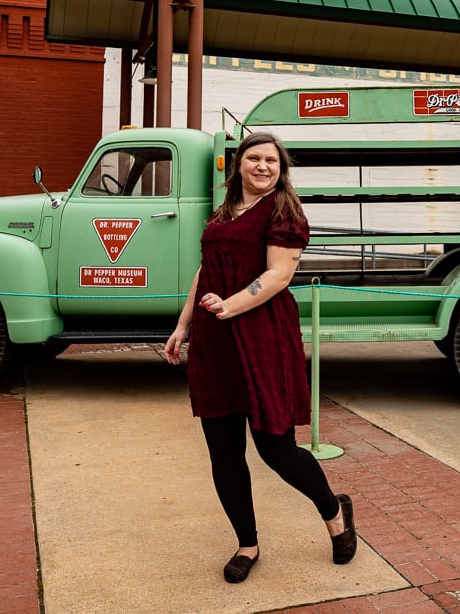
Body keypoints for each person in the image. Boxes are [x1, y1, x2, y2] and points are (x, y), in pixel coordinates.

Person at [165, 131, 356, 584]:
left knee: (277, 448)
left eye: (272, 160)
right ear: (240, 165)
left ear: (281, 168)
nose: (263, 166)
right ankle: (247, 544)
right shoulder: (224, 212)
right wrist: (184, 323)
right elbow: (205, 269)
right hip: (216, 342)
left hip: (262, 336)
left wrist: (229, 305)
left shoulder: (284, 211)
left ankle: (336, 515)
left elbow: (278, 276)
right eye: (254, 158)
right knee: (224, 452)